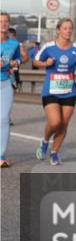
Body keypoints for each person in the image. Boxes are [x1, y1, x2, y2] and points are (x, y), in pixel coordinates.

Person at [33, 18, 76, 166]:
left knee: (63, 124)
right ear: (58, 30)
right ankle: (45, 142)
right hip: (51, 91)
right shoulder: (49, 47)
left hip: (69, 91)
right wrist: (46, 63)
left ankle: (55, 153)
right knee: (55, 122)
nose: (68, 31)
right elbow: (35, 61)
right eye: (65, 28)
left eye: (70, 28)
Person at [0, 12, 21, 168]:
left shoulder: (14, 44)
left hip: (6, 83)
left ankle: (1, 155)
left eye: (6, 21)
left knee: (4, 119)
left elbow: (18, 59)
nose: (4, 24)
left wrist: (15, 63)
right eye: (0, 21)